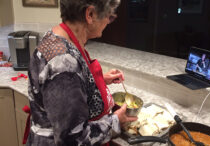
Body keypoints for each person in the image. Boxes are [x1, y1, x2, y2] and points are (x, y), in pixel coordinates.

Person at [25, 0, 137, 146]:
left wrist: (96, 80)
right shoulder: (63, 63)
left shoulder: (57, 36)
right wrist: (116, 121)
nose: (109, 22)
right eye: (109, 16)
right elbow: (72, 140)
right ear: (90, 14)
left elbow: (61, 86)